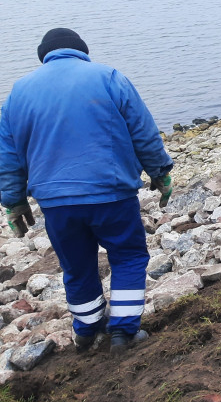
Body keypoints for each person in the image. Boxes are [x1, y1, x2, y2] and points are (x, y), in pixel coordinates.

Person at [0, 29, 173, 356]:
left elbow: (8, 156)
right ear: (82, 51)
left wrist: (14, 201)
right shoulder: (108, 77)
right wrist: (160, 172)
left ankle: (86, 332)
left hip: (56, 203)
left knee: (77, 266)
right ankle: (122, 333)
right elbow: (143, 130)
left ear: (44, 56)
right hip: (111, 194)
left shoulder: (19, 92)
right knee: (128, 257)